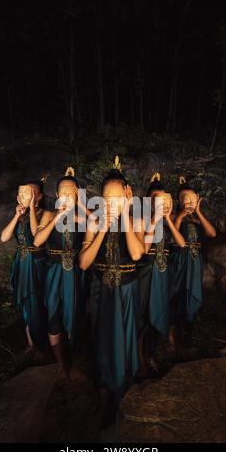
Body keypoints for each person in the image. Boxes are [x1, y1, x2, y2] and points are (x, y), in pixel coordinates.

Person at [79, 156, 144, 430]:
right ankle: (105, 399)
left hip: (126, 292)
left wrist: (127, 215)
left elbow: (138, 252)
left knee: (125, 341)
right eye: (107, 198)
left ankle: (124, 395)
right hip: (103, 293)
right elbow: (83, 262)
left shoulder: (136, 221)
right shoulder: (95, 222)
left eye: (118, 199)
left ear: (127, 197)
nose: (112, 204)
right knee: (103, 343)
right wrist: (104, 225)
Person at [34, 167, 87, 381]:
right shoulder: (49, 214)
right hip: (54, 271)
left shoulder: (82, 216)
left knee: (75, 315)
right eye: (62, 192)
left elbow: (99, 224)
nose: (66, 195)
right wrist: (58, 216)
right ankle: (60, 366)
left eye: (71, 191)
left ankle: (73, 362)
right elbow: (38, 241)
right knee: (53, 316)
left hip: (74, 272)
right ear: (56, 195)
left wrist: (80, 206)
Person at [135, 173, 185, 374]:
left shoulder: (169, 220)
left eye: (163, 199)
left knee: (160, 312)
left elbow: (181, 243)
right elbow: (144, 250)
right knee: (143, 316)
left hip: (163, 273)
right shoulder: (141, 219)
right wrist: (155, 218)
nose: (159, 202)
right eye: (155, 198)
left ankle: (151, 354)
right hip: (147, 272)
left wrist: (168, 218)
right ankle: (138, 359)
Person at [168, 176, 216, 351]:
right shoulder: (174, 217)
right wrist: (180, 217)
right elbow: (172, 234)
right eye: (184, 199)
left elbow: (212, 233)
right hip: (179, 262)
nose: (188, 202)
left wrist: (199, 212)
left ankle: (188, 333)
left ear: (197, 199)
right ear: (179, 202)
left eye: (191, 199)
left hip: (195, 264)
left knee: (192, 296)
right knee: (175, 294)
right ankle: (171, 337)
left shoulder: (199, 220)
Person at [0, 179, 48, 352]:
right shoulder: (19, 216)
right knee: (26, 303)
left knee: (36, 300)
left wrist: (33, 208)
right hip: (21, 262)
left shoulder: (44, 214)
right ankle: (31, 341)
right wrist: (16, 215)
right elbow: (4, 238)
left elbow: (36, 237)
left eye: (28, 193)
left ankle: (40, 343)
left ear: (38, 196)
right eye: (20, 193)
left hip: (36, 263)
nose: (22, 196)